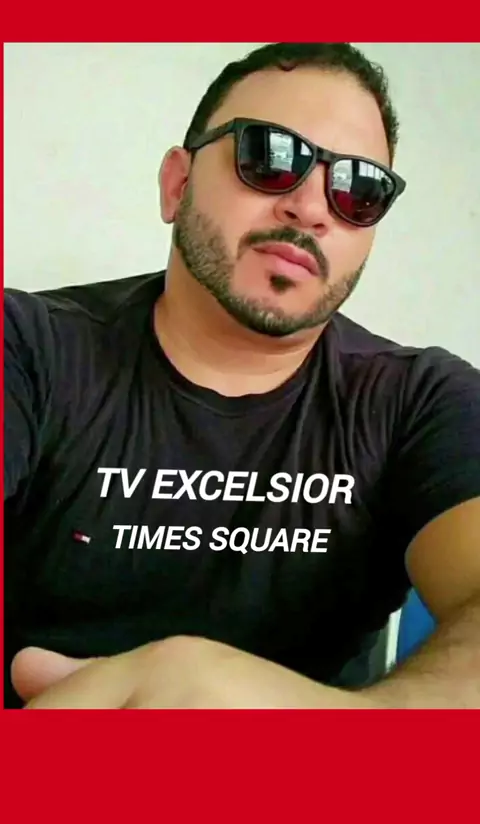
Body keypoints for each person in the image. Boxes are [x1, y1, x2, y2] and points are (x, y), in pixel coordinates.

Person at [5, 42, 480, 710]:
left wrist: (329, 729)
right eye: (271, 156)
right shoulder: (28, 348)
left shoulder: (420, 402)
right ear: (178, 185)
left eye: (359, 189)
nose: (311, 208)